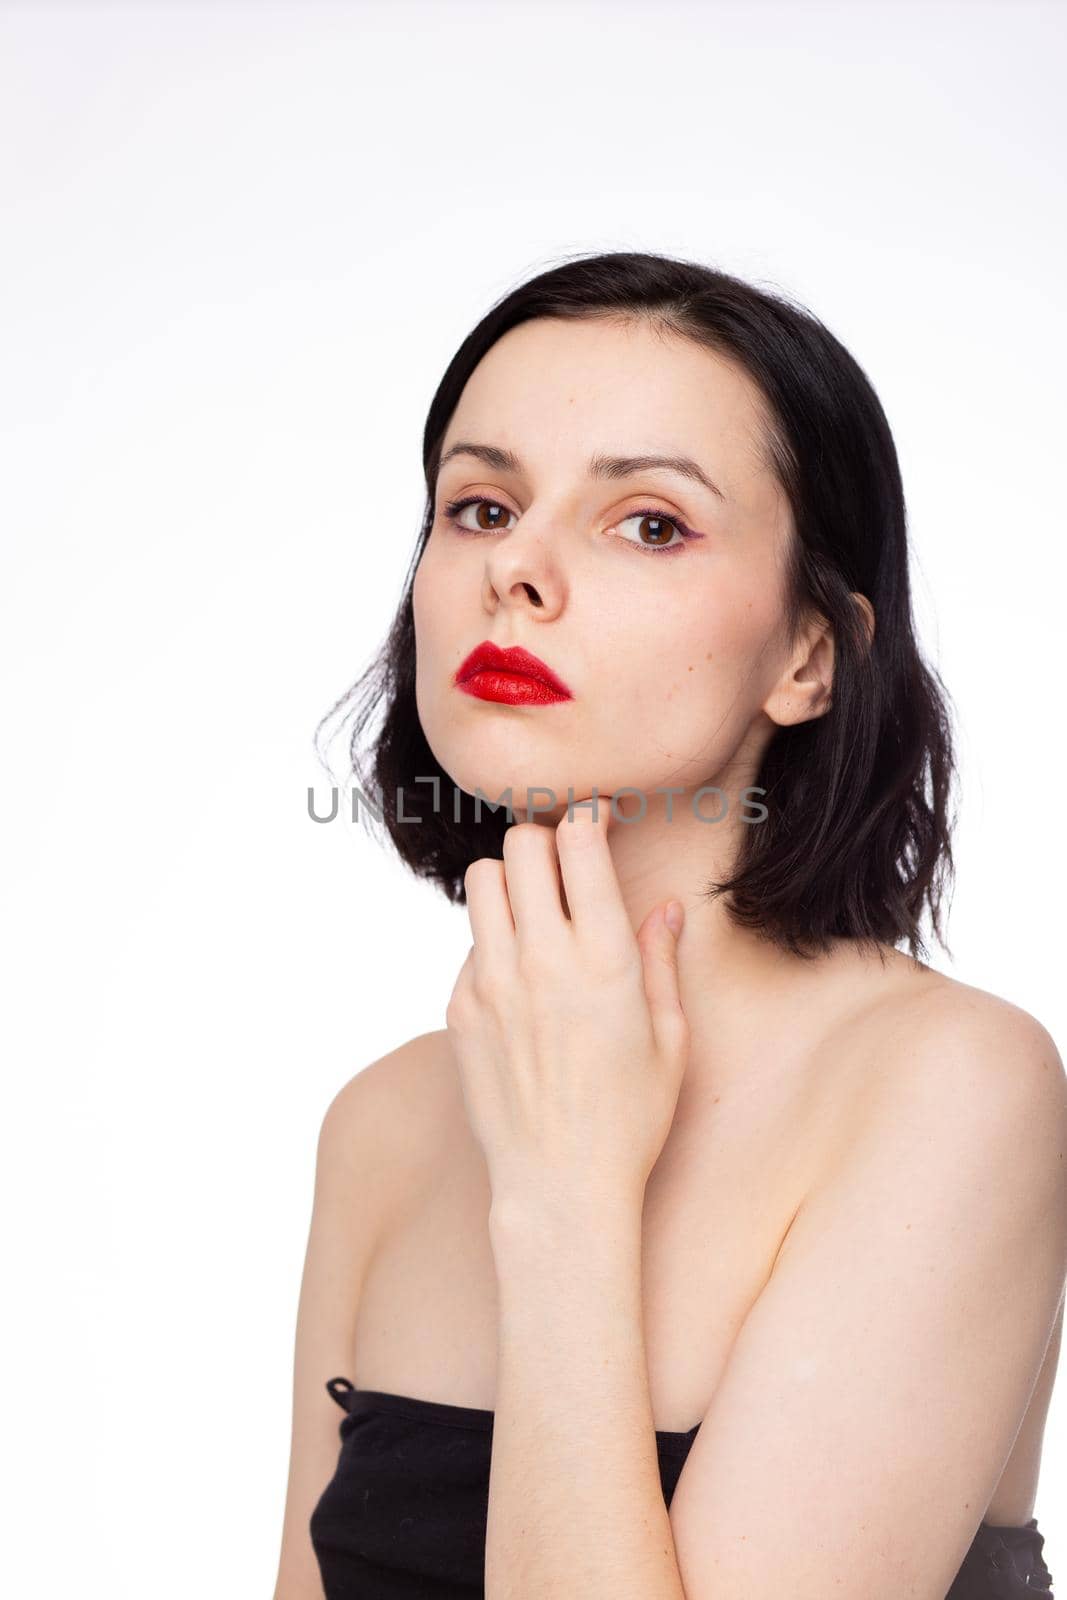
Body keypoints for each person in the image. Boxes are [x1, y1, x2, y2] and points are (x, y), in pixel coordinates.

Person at [272, 251, 1066, 1599]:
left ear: (810, 655)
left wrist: (567, 1194)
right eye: (477, 507)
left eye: (648, 523)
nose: (515, 569)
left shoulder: (954, 1089)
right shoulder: (389, 1126)